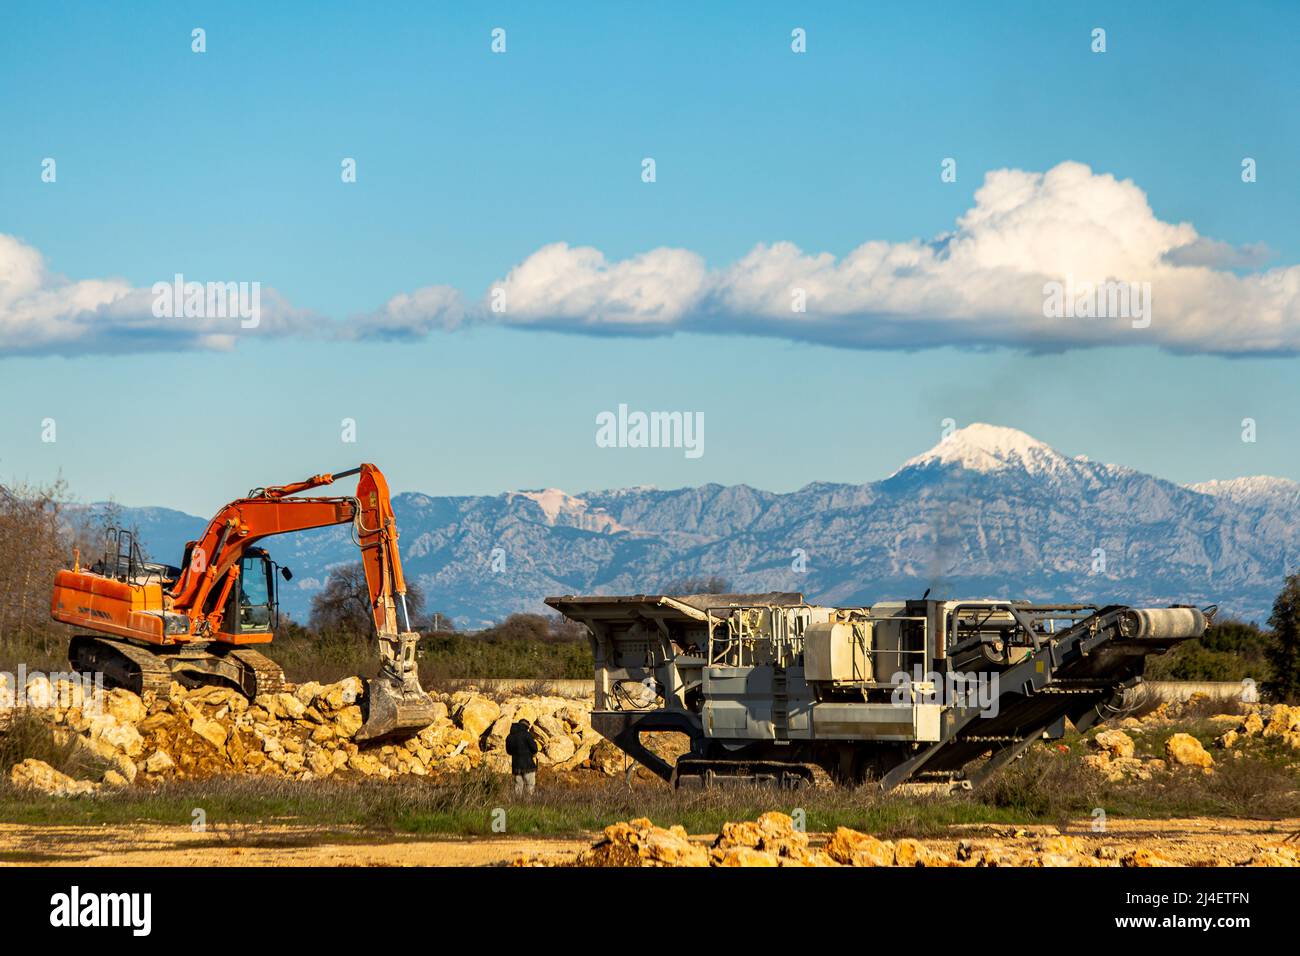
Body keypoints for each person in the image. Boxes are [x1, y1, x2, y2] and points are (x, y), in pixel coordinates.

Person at [505, 719, 538, 795]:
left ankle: (517, 801)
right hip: (528, 765)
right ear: (526, 726)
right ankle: (529, 801)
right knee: (530, 785)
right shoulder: (527, 735)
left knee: (518, 786)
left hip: (516, 766)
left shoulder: (510, 736)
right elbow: (534, 749)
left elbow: (508, 751)